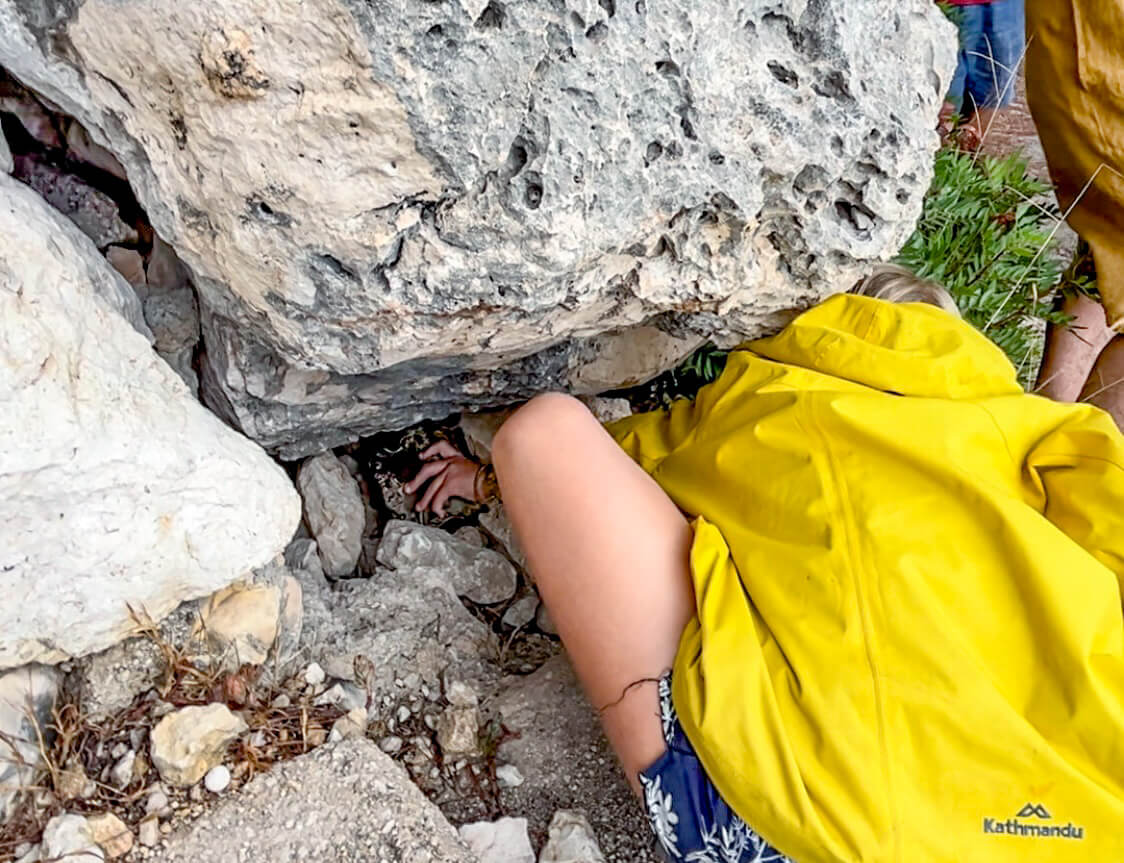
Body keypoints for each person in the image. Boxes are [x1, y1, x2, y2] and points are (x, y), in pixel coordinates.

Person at [408, 269, 1124, 862]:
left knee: (545, 434)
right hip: (1079, 830)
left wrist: (488, 476)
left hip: (804, 816)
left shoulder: (769, 392)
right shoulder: (1056, 435)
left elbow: (624, 462)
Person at [1026, 0, 1124, 430]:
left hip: (1081, 43)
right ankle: (1075, 469)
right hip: (1099, 45)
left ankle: (1044, 430)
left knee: (1101, 242)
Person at [939, 0, 1025, 147]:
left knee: (996, 89)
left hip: (1006, 5)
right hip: (947, 7)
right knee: (943, 96)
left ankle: (967, 152)